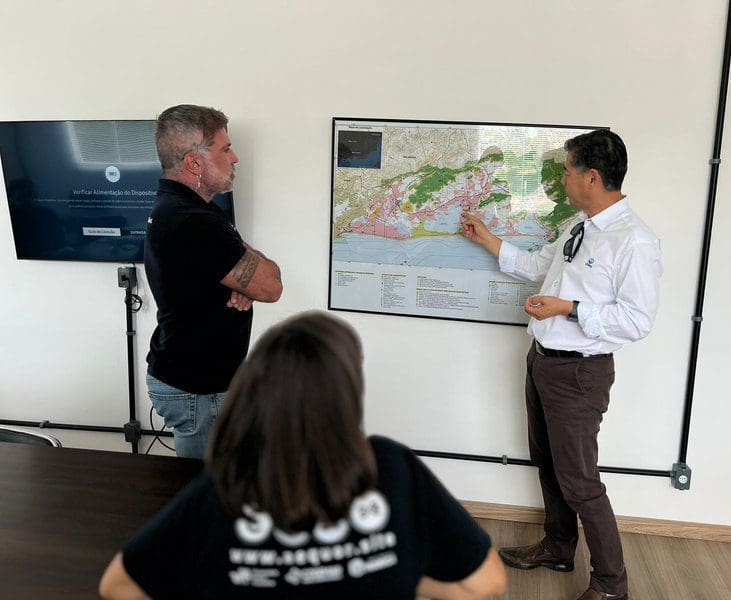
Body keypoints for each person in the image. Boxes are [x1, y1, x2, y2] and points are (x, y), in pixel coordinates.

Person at [100, 311, 507, 599]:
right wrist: (396, 573)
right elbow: (484, 582)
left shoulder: (225, 484)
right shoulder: (390, 467)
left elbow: (118, 585)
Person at [461, 129, 661, 600]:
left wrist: (568, 309)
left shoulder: (634, 241)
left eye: (567, 171)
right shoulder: (578, 225)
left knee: (580, 482)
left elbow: (637, 321)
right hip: (543, 362)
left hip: (579, 374)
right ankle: (558, 546)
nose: (562, 180)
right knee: (548, 464)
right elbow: (539, 266)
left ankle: (611, 585)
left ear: (591, 177)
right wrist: (489, 241)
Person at [144, 104, 283, 459]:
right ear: (193, 162)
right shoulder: (192, 219)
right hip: (197, 390)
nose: (235, 158)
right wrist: (245, 277)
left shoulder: (189, 208)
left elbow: (250, 278)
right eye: (225, 149)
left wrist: (241, 279)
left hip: (194, 380)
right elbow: (271, 287)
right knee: (206, 485)